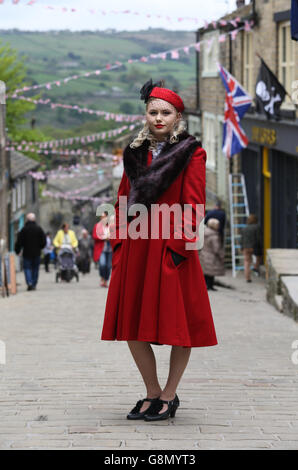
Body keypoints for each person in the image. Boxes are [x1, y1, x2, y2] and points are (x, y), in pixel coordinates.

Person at [101, 79, 217, 421]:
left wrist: (178, 250)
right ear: (146, 114)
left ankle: (170, 395)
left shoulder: (191, 152)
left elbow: (194, 204)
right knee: (132, 324)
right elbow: (123, 199)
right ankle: (152, 392)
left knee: (180, 324)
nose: (159, 118)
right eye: (153, 112)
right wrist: (119, 241)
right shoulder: (134, 153)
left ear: (178, 116)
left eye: (166, 112)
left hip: (171, 249)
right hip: (137, 246)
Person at [15, 213, 46, 291]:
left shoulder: (24, 229)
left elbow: (19, 241)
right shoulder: (39, 229)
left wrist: (17, 250)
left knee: (27, 268)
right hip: (36, 252)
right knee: (35, 268)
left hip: (27, 252)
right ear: (34, 219)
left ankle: (29, 282)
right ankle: (34, 283)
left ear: (27, 220)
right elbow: (43, 241)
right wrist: (40, 247)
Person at [199, 218, 225, 291]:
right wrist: (221, 256)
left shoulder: (203, 233)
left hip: (203, 254)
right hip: (211, 256)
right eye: (217, 225)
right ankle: (210, 286)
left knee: (206, 271)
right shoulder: (214, 236)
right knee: (211, 272)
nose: (218, 226)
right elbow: (216, 248)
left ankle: (205, 285)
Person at [93, 212, 113, 288]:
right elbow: (95, 236)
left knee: (108, 266)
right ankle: (102, 277)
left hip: (110, 249)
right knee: (102, 264)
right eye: (102, 217)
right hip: (102, 249)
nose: (103, 218)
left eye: (104, 217)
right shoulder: (97, 226)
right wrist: (104, 238)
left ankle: (105, 280)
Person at [241, 214, 263, 283]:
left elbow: (241, 239)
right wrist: (261, 246)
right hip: (254, 246)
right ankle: (255, 267)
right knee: (259, 256)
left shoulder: (244, 228)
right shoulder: (257, 227)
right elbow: (259, 238)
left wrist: (242, 247)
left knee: (247, 262)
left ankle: (247, 278)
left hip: (245, 247)